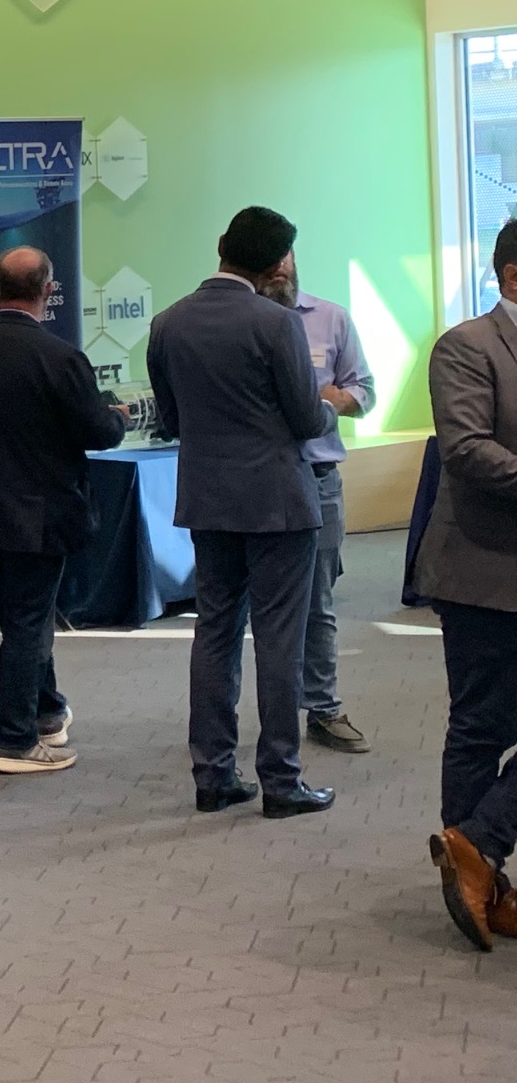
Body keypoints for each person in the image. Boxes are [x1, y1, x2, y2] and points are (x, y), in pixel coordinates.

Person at [146, 206, 338, 820]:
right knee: (279, 640)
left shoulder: (167, 323)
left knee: (215, 633)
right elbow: (306, 419)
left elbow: (170, 421)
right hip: (279, 504)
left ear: (221, 246)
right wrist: (330, 408)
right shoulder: (277, 323)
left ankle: (213, 775)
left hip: (207, 500)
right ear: (279, 264)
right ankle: (281, 780)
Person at [0, 248, 126, 775]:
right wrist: (117, 417)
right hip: (40, 516)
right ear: (48, 290)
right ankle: (14, 739)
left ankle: (45, 712)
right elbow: (97, 432)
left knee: (23, 617)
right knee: (27, 626)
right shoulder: (60, 358)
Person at [421, 218, 517, 951]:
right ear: (513, 277)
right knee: (482, 726)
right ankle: (483, 880)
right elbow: (466, 449)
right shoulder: (467, 346)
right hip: (487, 571)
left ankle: (477, 850)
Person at [261, 252, 377, 754]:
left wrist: (326, 401)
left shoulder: (332, 318)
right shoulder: (241, 324)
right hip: (257, 482)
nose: (280, 270)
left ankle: (323, 709)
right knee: (246, 608)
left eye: (286, 260)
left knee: (318, 603)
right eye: (271, 261)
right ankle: (254, 719)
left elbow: (363, 392)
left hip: (319, 479)